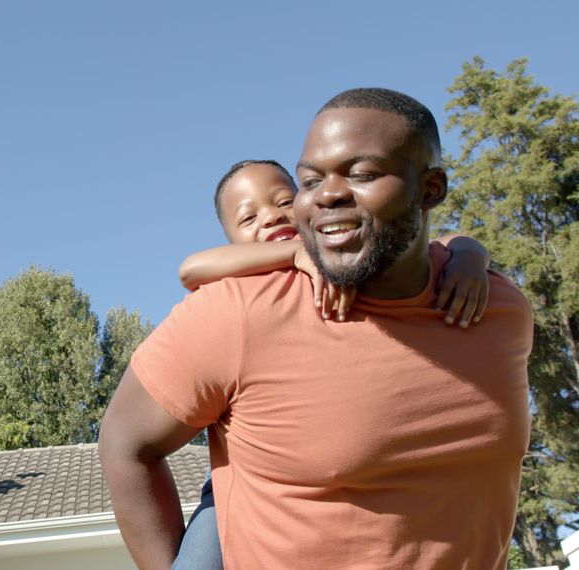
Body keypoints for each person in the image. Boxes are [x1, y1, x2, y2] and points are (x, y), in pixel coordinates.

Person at [98, 88, 533, 569]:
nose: (327, 194)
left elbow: (453, 242)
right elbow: (124, 443)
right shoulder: (238, 309)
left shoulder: (496, 307)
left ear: (430, 188)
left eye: (362, 173)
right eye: (312, 179)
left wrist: (472, 254)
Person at [169, 159, 493, 569]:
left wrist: (469, 258)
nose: (270, 216)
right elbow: (190, 268)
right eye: (249, 217)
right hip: (245, 483)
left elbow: (453, 241)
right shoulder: (245, 286)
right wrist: (293, 253)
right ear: (232, 241)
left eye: (284, 201)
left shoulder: (354, 257)